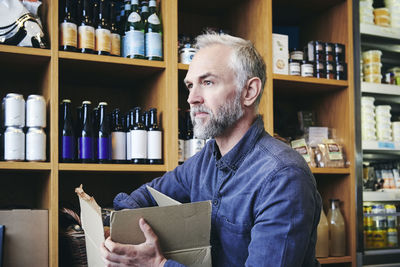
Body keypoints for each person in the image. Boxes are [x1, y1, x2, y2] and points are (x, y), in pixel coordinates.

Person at [100, 32, 322, 267]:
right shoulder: (206, 159)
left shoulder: (283, 176)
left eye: (207, 82)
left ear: (249, 92)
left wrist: (159, 264)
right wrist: (118, 231)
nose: (192, 98)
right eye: (189, 85)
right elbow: (146, 196)